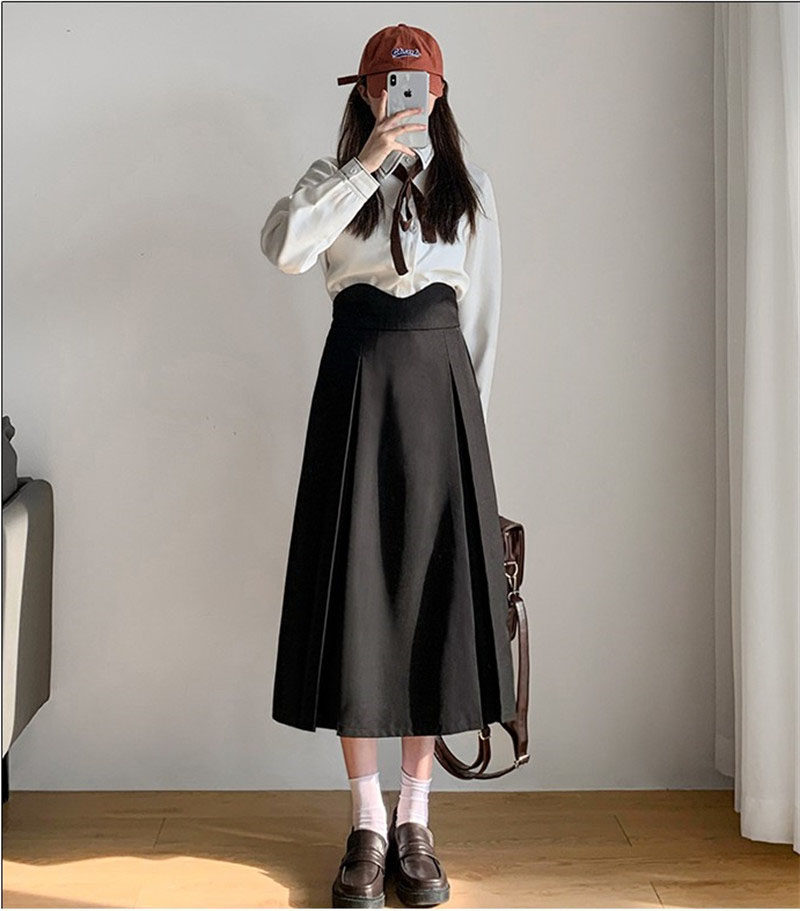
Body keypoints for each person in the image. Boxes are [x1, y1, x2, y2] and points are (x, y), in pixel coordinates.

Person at [260, 22, 516, 909]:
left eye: (416, 85)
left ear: (438, 94)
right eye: (385, 85)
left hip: (442, 404)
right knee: (359, 597)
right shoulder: (328, 183)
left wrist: (469, 440)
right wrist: (365, 167)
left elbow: (482, 324)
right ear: (365, 94)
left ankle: (416, 820)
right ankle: (366, 822)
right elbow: (286, 249)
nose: (401, 97)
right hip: (357, 392)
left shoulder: (470, 190)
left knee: (430, 599)